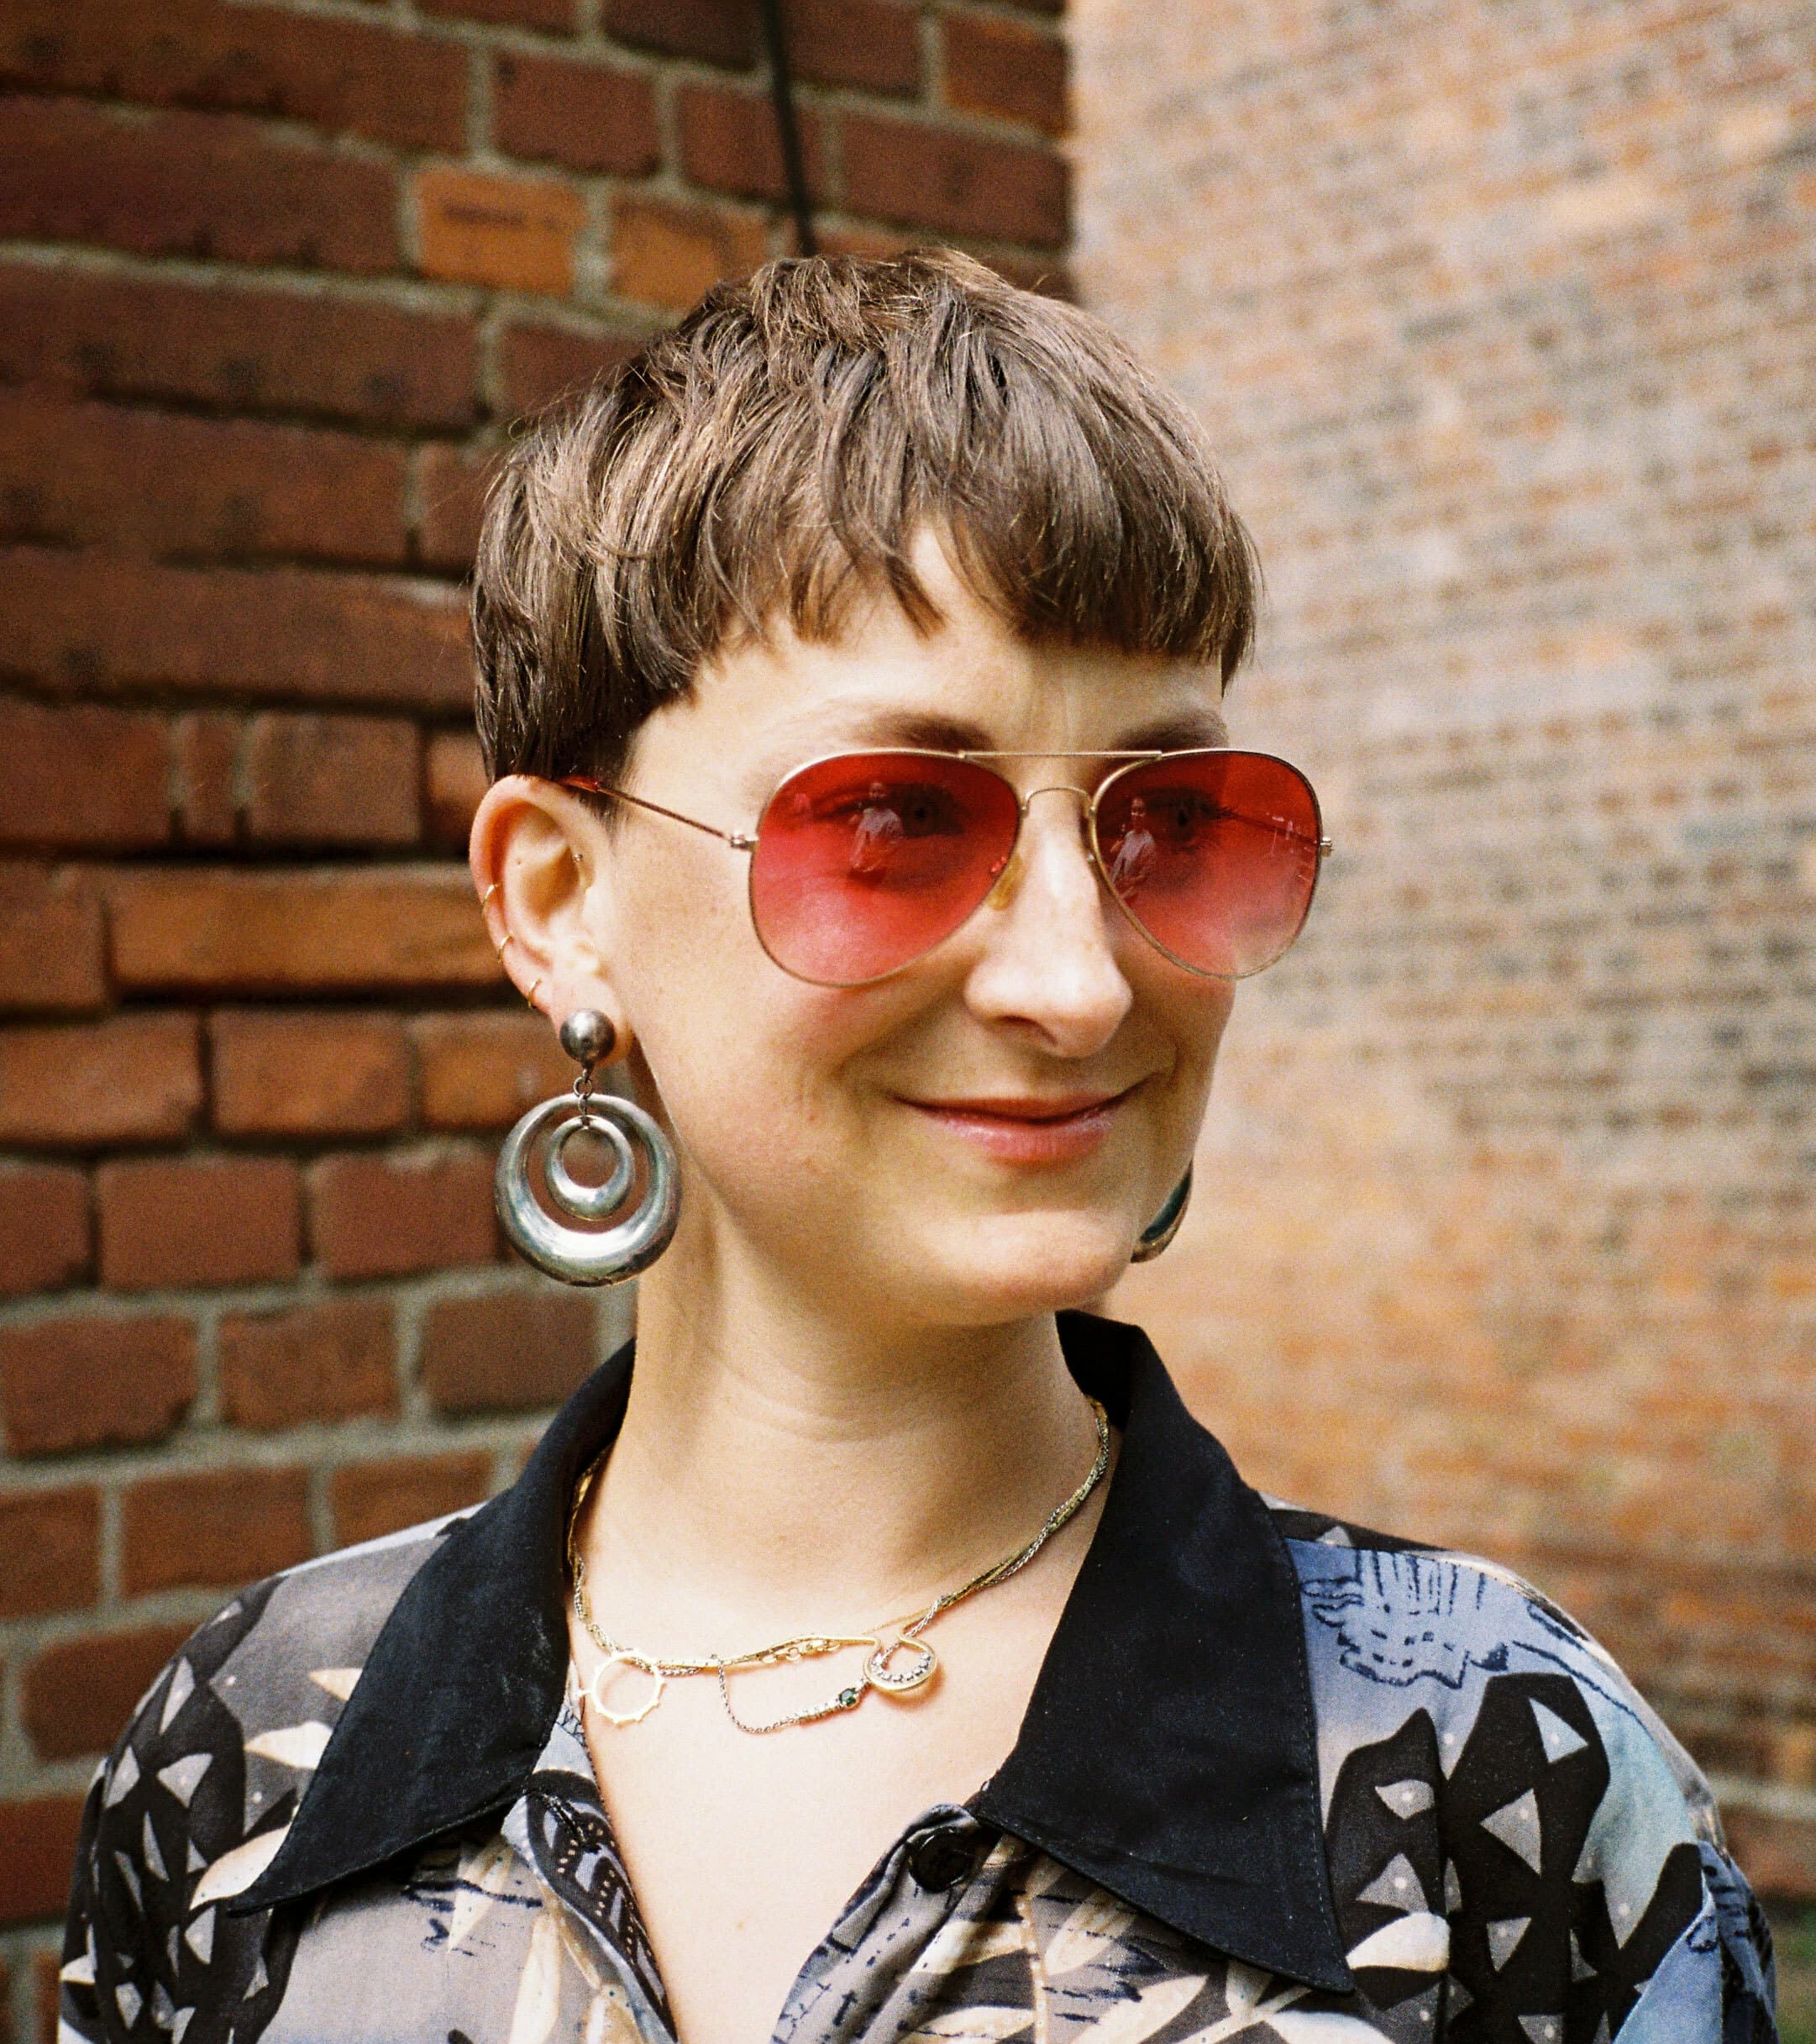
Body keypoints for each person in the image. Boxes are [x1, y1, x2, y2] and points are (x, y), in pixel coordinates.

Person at [60, 252, 1776, 2044]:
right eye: (890, 817)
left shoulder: (1498, 1774)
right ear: (563, 903)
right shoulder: (253, 1759)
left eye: (1172, 820)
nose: (1076, 977)